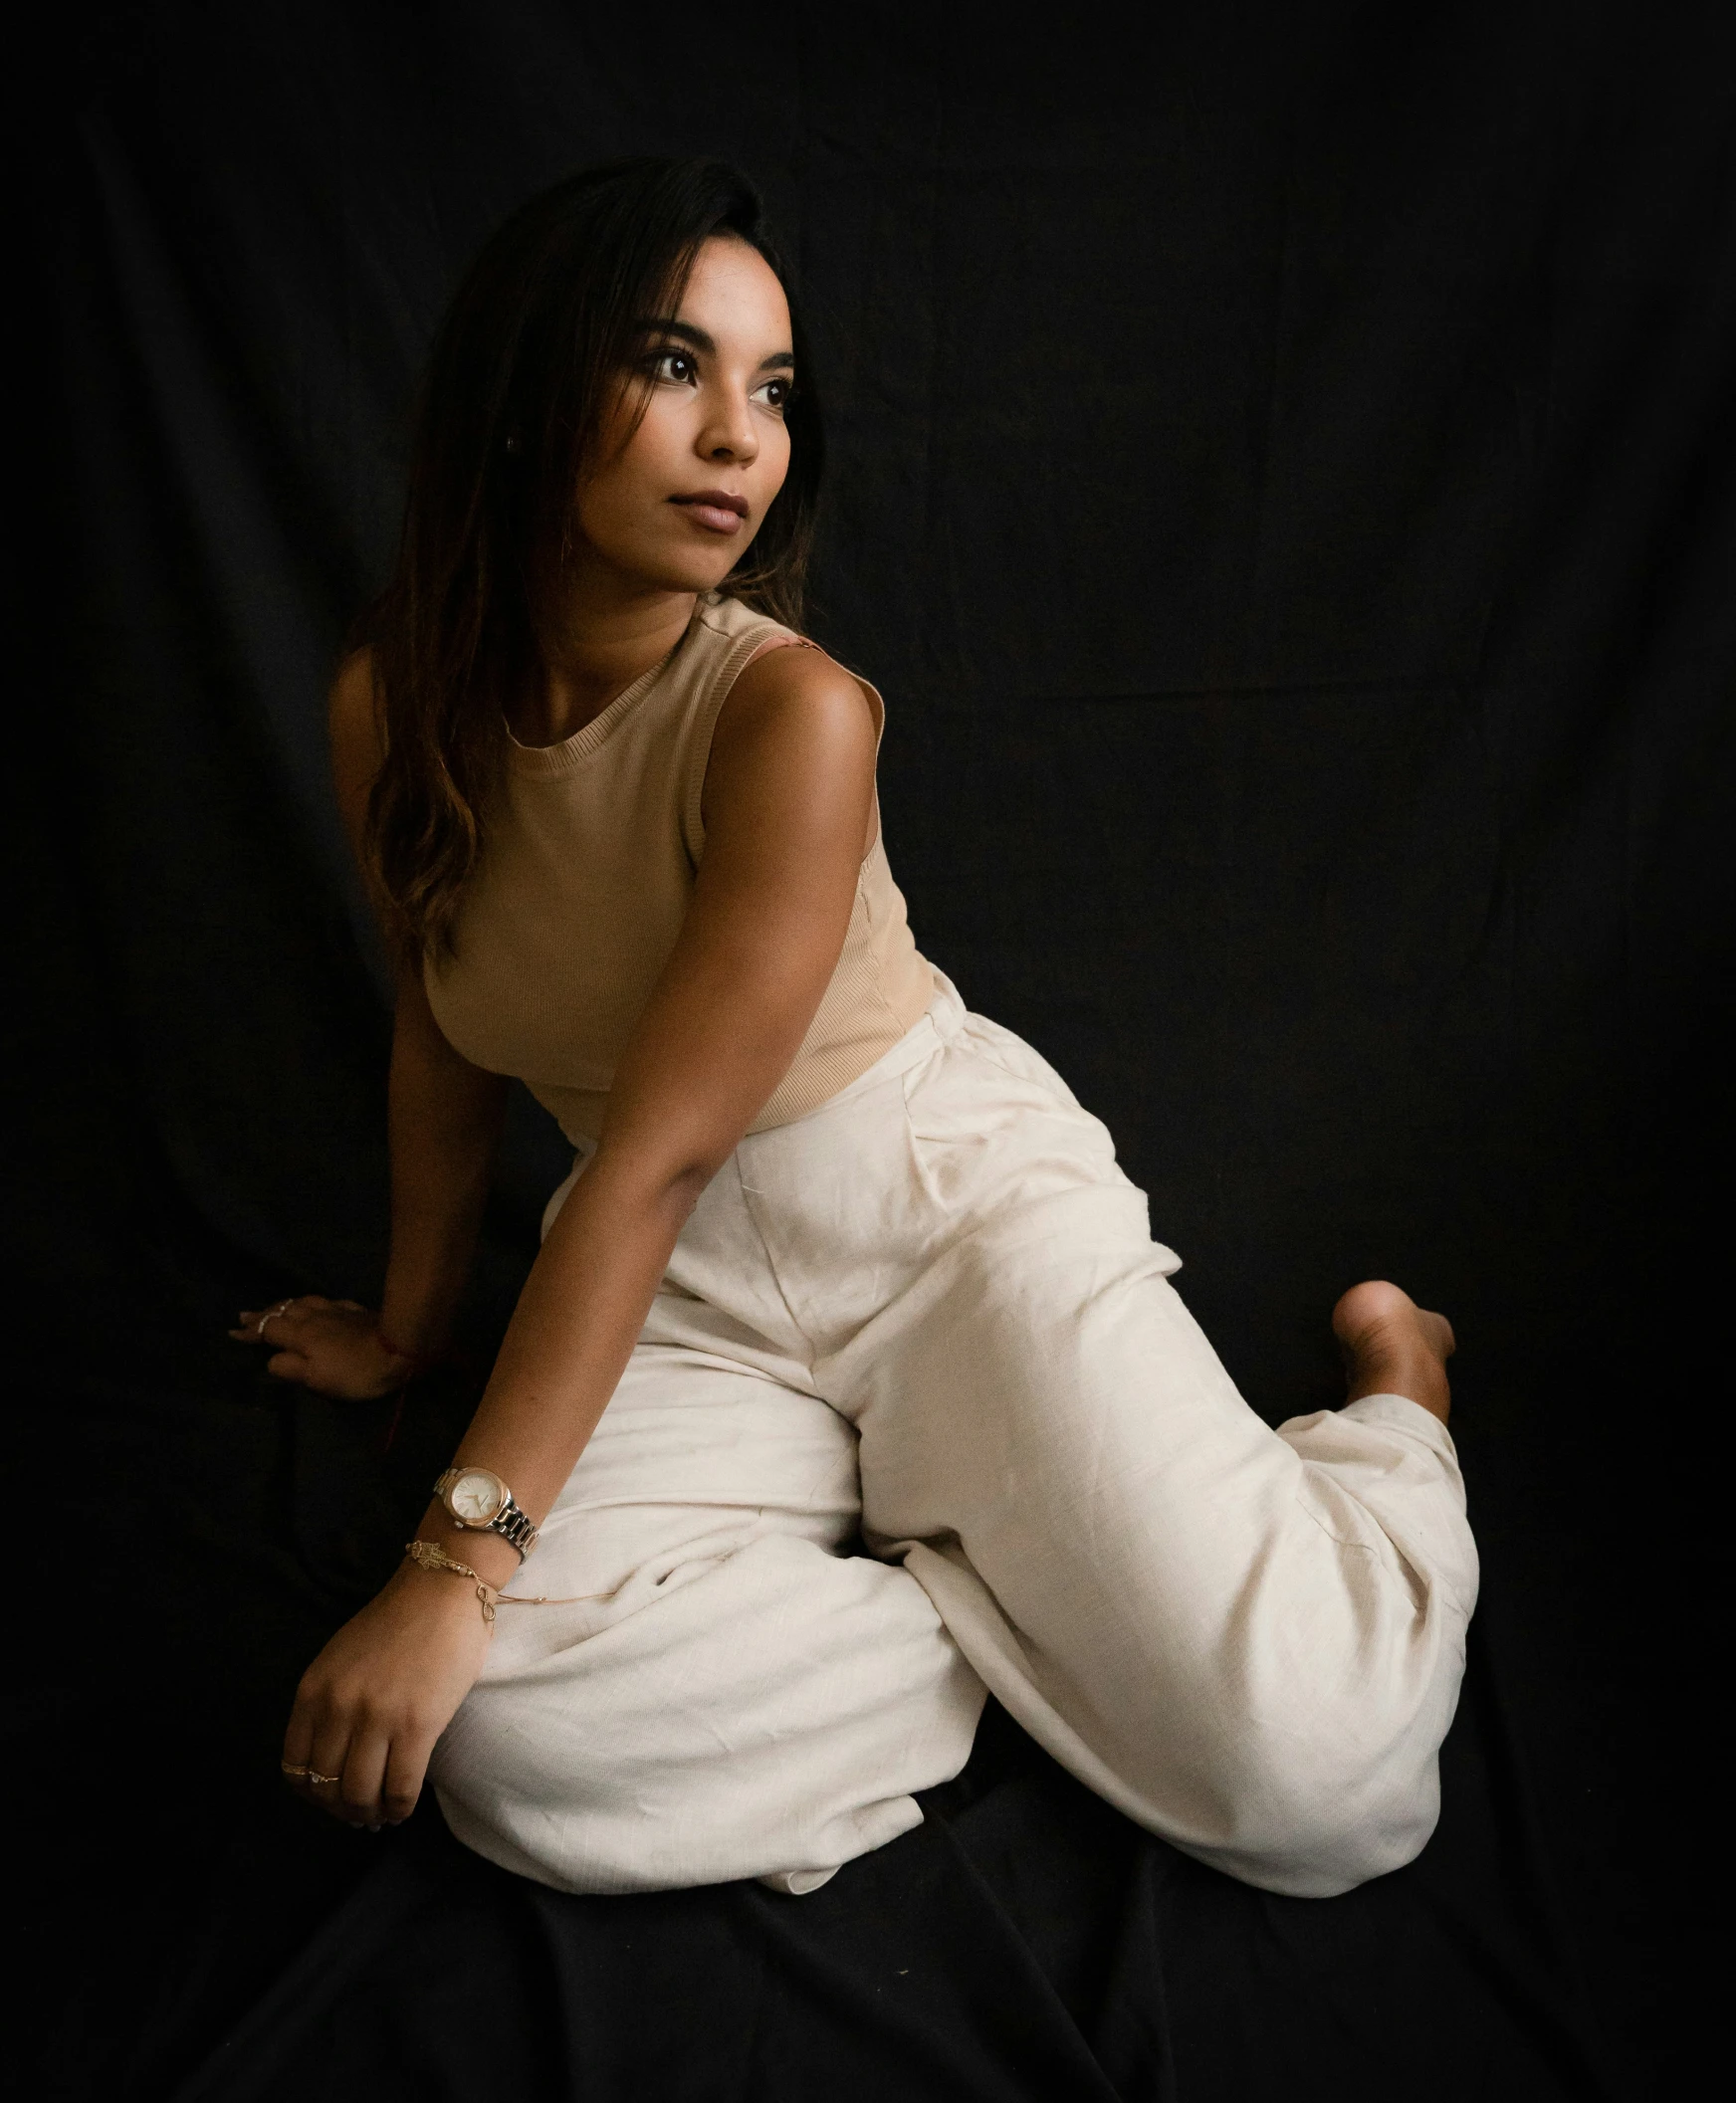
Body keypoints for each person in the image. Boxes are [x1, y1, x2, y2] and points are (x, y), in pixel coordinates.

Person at [235, 158, 1476, 1902]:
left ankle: (1392, 1411)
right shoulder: (396, 701)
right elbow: (445, 1037)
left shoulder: (789, 711)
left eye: (775, 390)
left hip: (939, 1219)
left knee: (1323, 1792)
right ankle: (1014, 1587)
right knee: (519, 1750)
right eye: (675, 365)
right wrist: (410, 1331)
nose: (742, 436)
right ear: (525, 398)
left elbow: (659, 1151)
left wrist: (453, 1564)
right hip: (689, 1293)